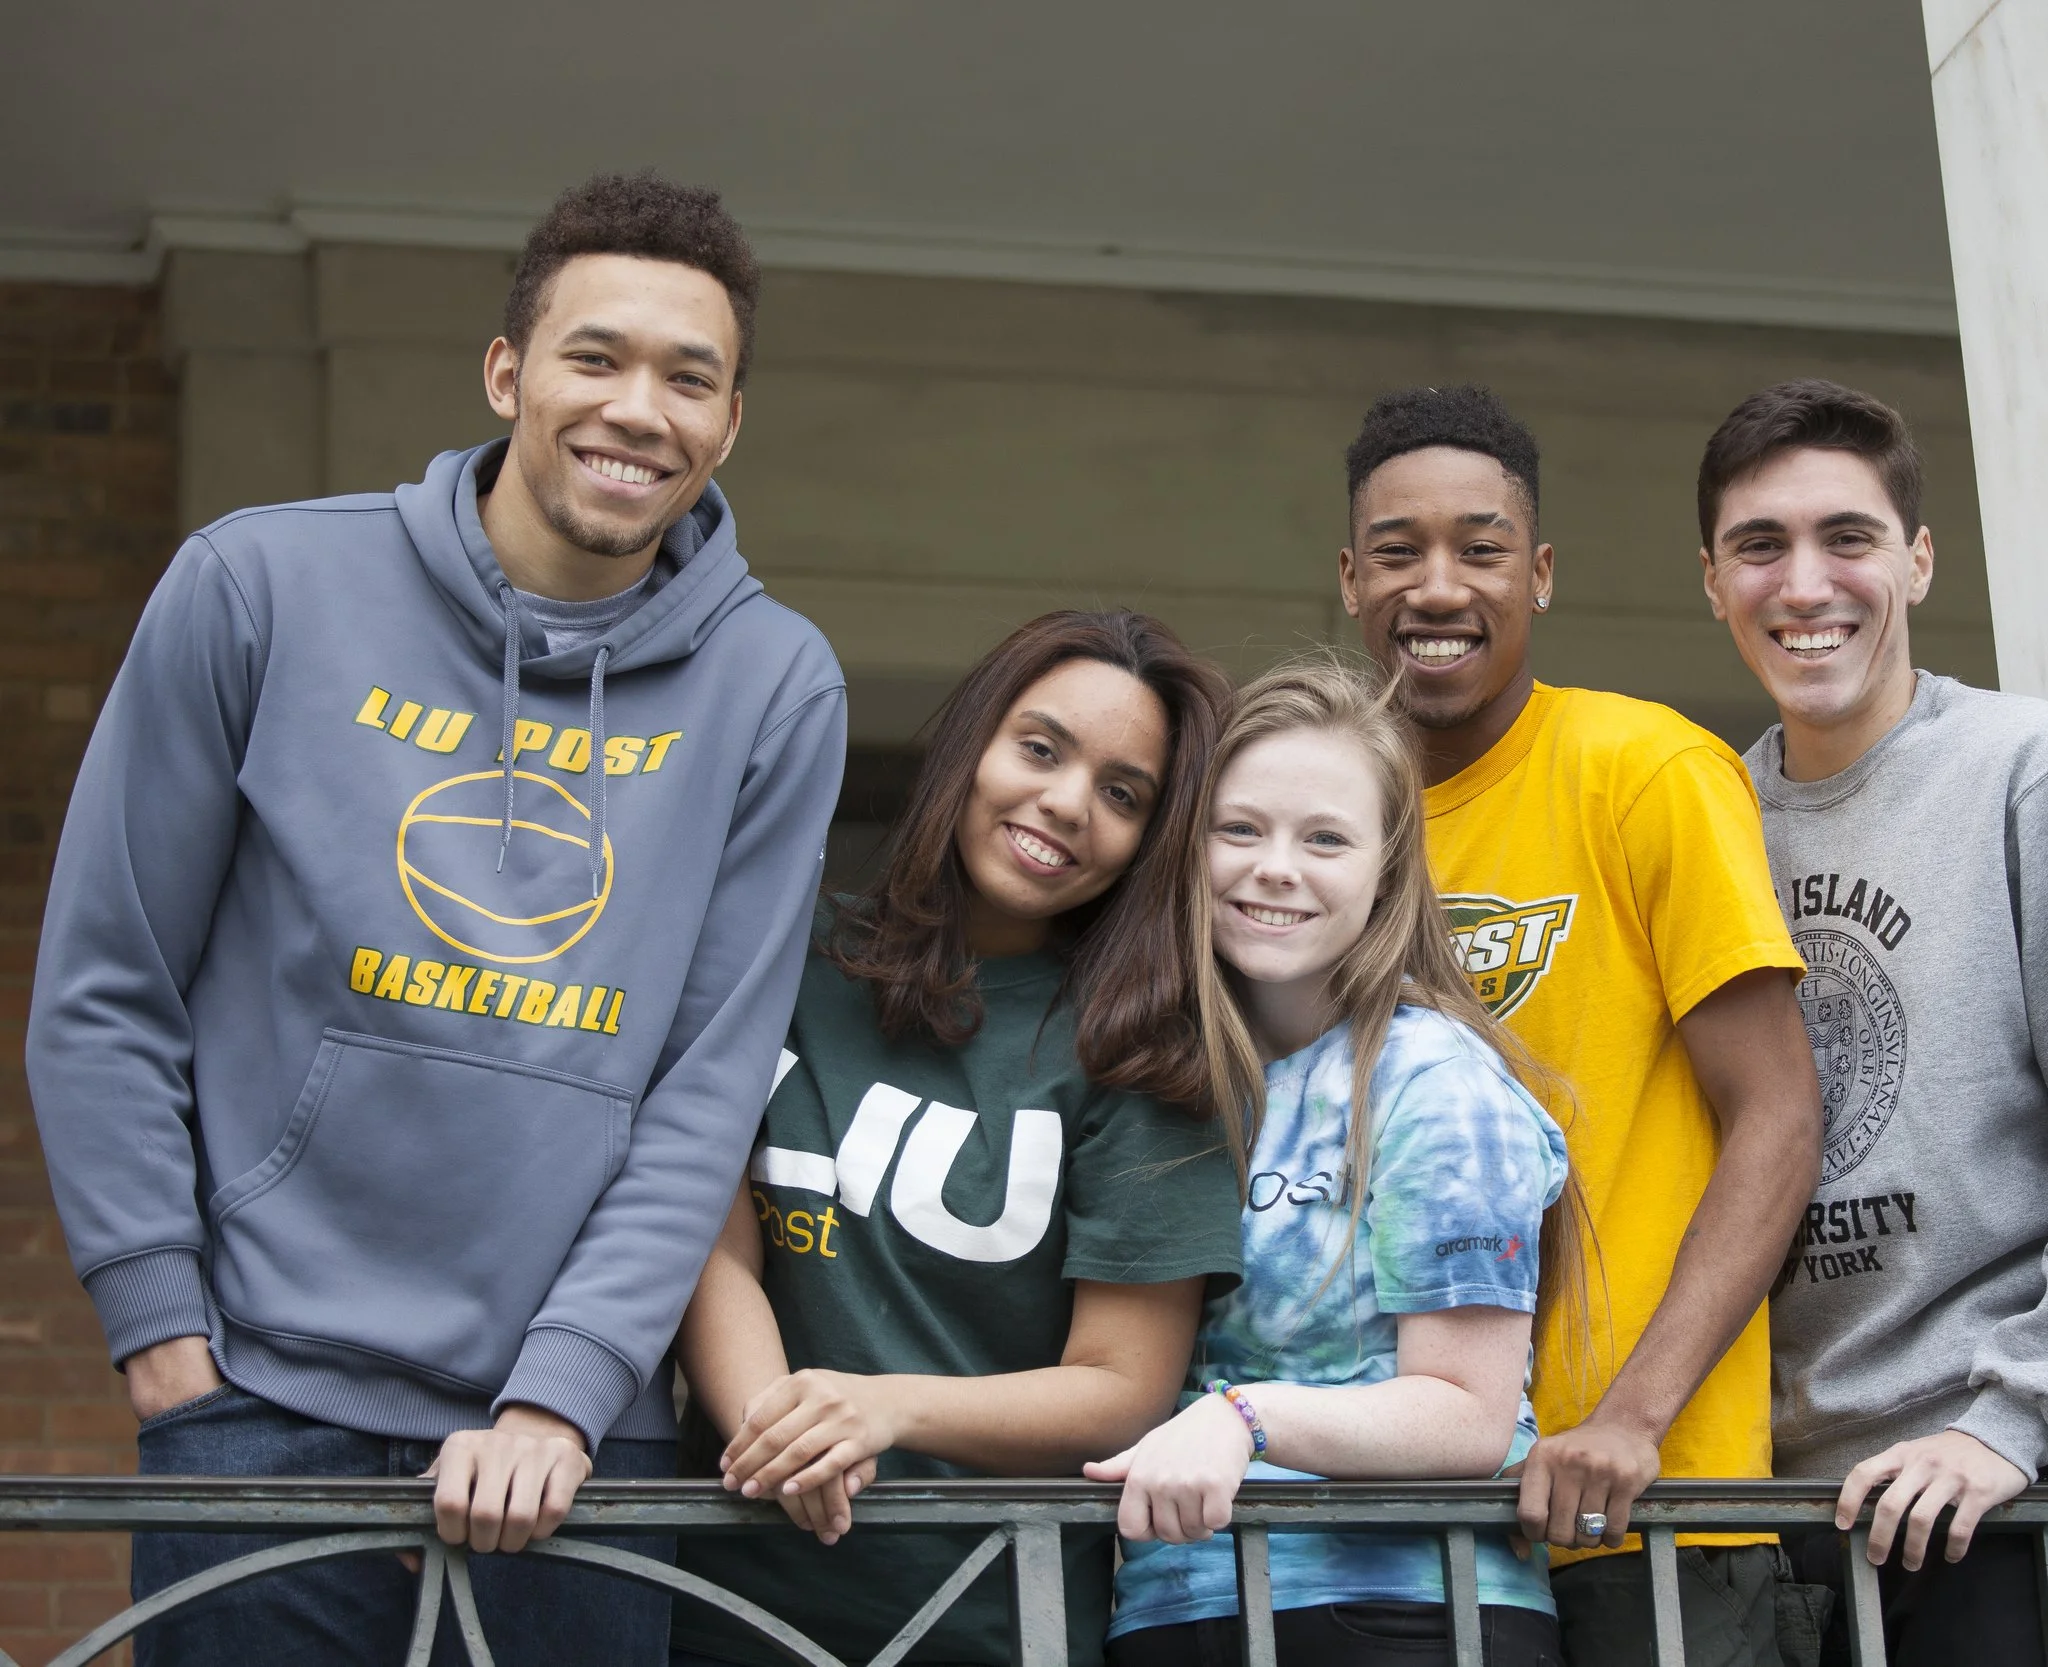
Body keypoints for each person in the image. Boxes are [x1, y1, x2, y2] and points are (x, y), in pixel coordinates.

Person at [24, 173, 848, 1664]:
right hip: (258, 1411)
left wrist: (569, 1381)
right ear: (508, 372)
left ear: (731, 422)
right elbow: (106, 981)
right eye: (595, 357)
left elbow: (706, 1084)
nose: (637, 409)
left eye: (689, 377)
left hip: (578, 1445)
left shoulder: (775, 685)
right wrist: (164, 1339)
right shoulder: (260, 583)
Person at [1695, 378, 2048, 1666]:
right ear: (1712, 581)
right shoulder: (1705, 818)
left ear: (1918, 560)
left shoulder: (2035, 772)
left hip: (2002, 1497)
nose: (1804, 583)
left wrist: (2015, 1417)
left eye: (1848, 538)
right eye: (1760, 546)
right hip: (1777, 1516)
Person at [1336, 386, 1825, 1667]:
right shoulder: (1327, 830)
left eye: (1480, 548)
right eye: (1398, 550)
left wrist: (1632, 1415)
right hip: (1406, 1514)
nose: (1437, 586)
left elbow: (1776, 1115)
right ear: (1349, 579)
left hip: (1651, 1503)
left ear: (1539, 575)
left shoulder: (1644, 768)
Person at [670, 610, 1243, 1667]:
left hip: (986, 1612)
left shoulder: (1142, 1054)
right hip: (720, 1592)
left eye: (1124, 794)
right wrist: (784, 1431)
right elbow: (705, 1242)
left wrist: (880, 1407)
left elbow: (1122, 1381)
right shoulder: (786, 953)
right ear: (970, 741)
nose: (1066, 803)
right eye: (1040, 746)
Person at [1093, 656, 1578, 1667]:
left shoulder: (1432, 1077)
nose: (1276, 866)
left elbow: (1467, 1415)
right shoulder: (1168, 1074)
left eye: (1324, 838)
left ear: (1386, 871)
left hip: (1398, 1608)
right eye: (1241, 828)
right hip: (1172, 1600)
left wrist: (1243, 1419)